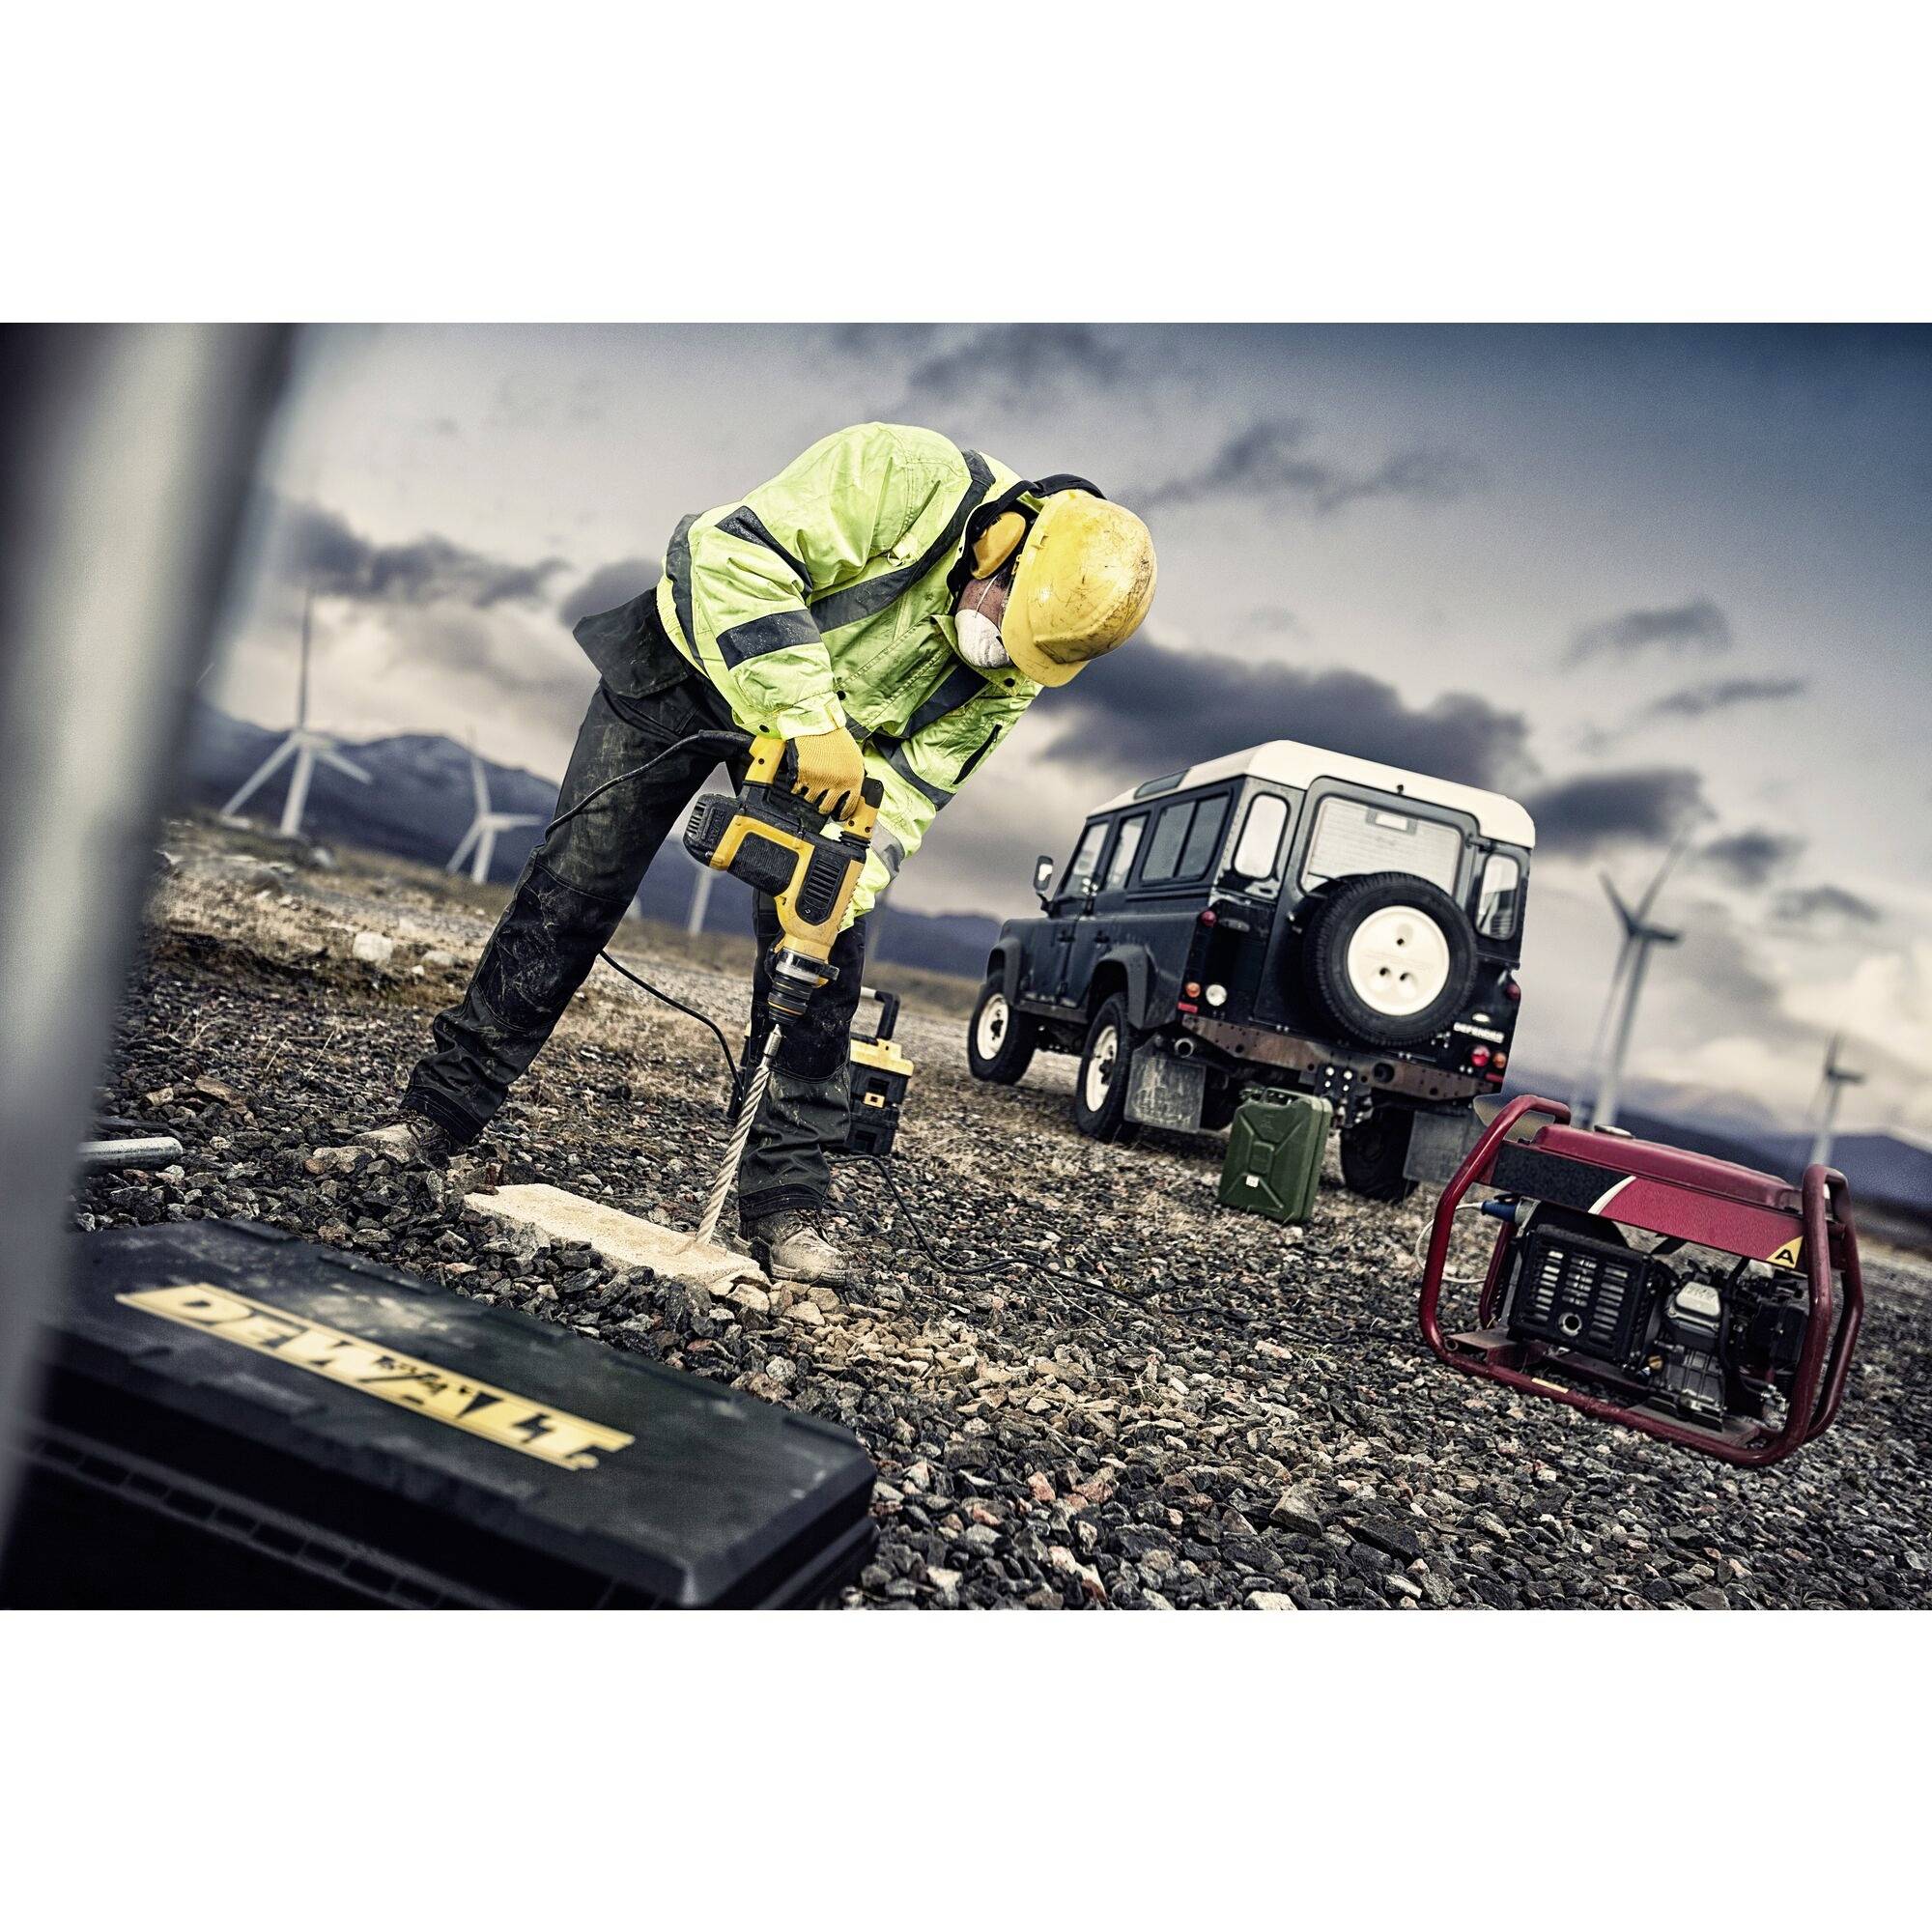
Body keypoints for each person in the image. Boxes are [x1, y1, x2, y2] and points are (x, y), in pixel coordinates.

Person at [352, 422, 1156, 1283]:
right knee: (573, 887)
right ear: (1001, 547)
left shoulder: (1024, 659)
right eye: (1006, 620)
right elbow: (727, 552)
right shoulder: (905, 473)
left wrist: (843, 889)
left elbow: (917, 784)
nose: (1000, 649)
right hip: (693, 666)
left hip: (824, 745)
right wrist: (810, 716)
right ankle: (436, 1117)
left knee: (824, 960)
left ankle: (787, 1206)